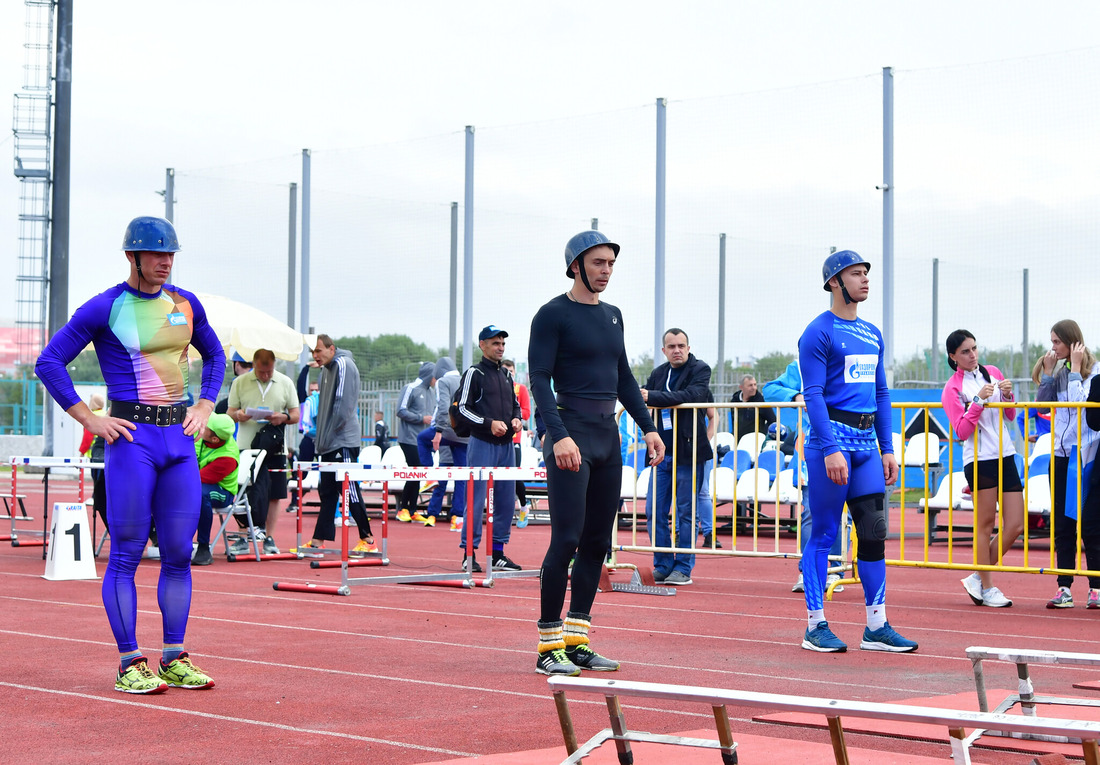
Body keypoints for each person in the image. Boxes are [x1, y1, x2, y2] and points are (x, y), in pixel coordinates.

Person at [35, 215, 222, 693]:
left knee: (179, 552)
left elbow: (216, 356)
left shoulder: (186, 303)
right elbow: (49, 361)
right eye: (157, 254)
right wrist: (88, 418)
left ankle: (174, 656)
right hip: (130, 443)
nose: (165, 262)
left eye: (171, 254)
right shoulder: (104, 307)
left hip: (180, 442)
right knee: (127, 554)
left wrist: (204, 403)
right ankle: (128, 663)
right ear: (132, 257)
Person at [529, 230, 664, 676]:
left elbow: (623, 377)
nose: (606, 271)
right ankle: (548, 645)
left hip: (609, 437)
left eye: (610, 264)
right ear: (576, 266)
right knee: (566, 539)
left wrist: (648, 428)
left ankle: (577, 639)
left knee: (596, 544)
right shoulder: (551, 315)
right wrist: (558, 433)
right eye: (598, 263)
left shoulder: (614, 316)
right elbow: (539, 380)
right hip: (572, 436)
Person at [798, 249, 916, 653]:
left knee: (873, 534)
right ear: (834, 282)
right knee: (825, 533)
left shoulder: (872, 333)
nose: (865, 280)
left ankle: (876, 627)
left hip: (867, 447)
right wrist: (829, 447)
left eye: (866, 273)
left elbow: (880, 393)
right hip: (830, 444)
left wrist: (888, 447)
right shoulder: (818, 332)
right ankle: (815, 626)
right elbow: (812, 393)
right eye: (855, 274)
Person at [941, 329, 1023, 608]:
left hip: (1006, 455)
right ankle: (987, 587)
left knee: (1015, 524)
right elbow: (962, 431)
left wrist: (1009, 396)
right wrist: (977, 402)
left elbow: (1010, 415)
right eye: (965, 351)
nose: (972, 354)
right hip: (979, 459)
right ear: (953, 356)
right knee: (985, 524)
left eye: (974, 348)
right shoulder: (952, 388)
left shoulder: (992, 372)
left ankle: (977, 575)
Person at [1033, 319, 1100, 608]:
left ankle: (1096, 587)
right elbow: (1042, 406)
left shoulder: (1094, 373)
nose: (1052, 348)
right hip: (1060, 458)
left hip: (1087, 458)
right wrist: (1048, 374)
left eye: (1057, 342)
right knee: (1062, 525)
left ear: (1072, 343)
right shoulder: (1060, 373)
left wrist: (1074, 369)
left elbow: (1078, 406)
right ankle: (1064, 587)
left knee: (1092, 525)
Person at [640, 328, 713, 585]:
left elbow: (691, 396)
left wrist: (653, 397)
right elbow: (645, 403)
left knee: (686, 514)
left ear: (689, 347)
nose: (677, 350)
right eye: (671, 346)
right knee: (654, 511)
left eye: (681, 345)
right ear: (664, 350)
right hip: (661, 455)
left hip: (689, 454)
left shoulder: (700, 369)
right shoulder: (658, 373)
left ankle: (683, 567)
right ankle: (662, 564)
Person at [766, 361, 844, 595]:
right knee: (810, 512)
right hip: (811, 452)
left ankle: (834, 571)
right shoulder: (800, 367)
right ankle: (808, 571)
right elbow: (770, 389)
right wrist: (796, 396)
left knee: (838, 514)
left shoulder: (848, 360)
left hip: (846, 446)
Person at [453, 326, 523, 571]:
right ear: (482, 345)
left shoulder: (506, 375)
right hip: (482, 444)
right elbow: (461, 408)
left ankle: (497, 553)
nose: (500, 347)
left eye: (503, 343)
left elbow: (515, 406)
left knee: (505, 500)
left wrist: (517, 419)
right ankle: (469, 555)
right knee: (475, 499)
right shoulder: (474, 373)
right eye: (495, 343)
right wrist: (488, 424)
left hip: (506, 447)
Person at [302, 334, 376, 554]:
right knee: (327, 491)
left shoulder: (344, 364)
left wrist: (329, 433)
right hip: (327, 442)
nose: (316, 356)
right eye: (313, 352)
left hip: (342, 441)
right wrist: (322, 438)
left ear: (331, 349)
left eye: (319, 351)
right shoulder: (325, 369)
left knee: (349, 488)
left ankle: (368, 539)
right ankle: (318, 539)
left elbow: (342, 404)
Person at [226, 348, 299, 555]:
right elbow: (229, 412)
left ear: (274, 364)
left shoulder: (285, 382)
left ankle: (269, 537)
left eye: (269, 371)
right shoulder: (240, 383)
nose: (265, 375)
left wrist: (282, 417)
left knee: (274, 494)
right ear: (254, 364)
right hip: (247, 446)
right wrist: (239, 415)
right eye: (261, 372)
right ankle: (242, 537)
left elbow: (295, 415)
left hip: (275, 447)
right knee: (243, 491)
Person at [415, 356, 468, 528]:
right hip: (465, 433)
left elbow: (443, 406)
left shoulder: (443, 382)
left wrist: (438, 431)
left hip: (448, 430)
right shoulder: (465, 378)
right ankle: (457, 517)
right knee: (462, 476)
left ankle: (430, 476)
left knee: (422, 439)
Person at [192, 413, 240, 566]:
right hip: (198, 482)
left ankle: (204, 547)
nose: (202, 425)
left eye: (206, 426)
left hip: (222, 491)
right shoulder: (203, 436)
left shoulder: (227, 458)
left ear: (214, 439)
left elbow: (196, 479)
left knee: (200, 494)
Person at [395, 362, 436, 521]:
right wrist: (421, 418)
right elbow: (400, 410)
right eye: (435, 376)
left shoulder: (431, 392)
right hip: (409, 438)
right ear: (429, 375)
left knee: (418, 472)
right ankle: (403, 509)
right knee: (415, 469)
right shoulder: (410, 388)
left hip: (423, 440)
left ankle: (411, 510)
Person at [501, 359, 533, 526]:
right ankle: (502, 512)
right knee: (498, 477)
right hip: (496, 440)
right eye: (506, 370)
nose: (509, 373)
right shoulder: (496, 388)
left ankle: (523, 506)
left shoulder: (520, 389)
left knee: (514, 475)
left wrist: (513, 415)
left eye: (511, 370)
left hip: (514, 440)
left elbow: (527, 413)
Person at [729, 374, 775, 441]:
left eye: (755, 384)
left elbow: (773, 420)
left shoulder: (761, 401)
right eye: (750, 385)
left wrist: (762, 435)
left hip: (755, 442)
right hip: (738, 442)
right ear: (741, 387)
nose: (754, 388)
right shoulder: (734, 401)